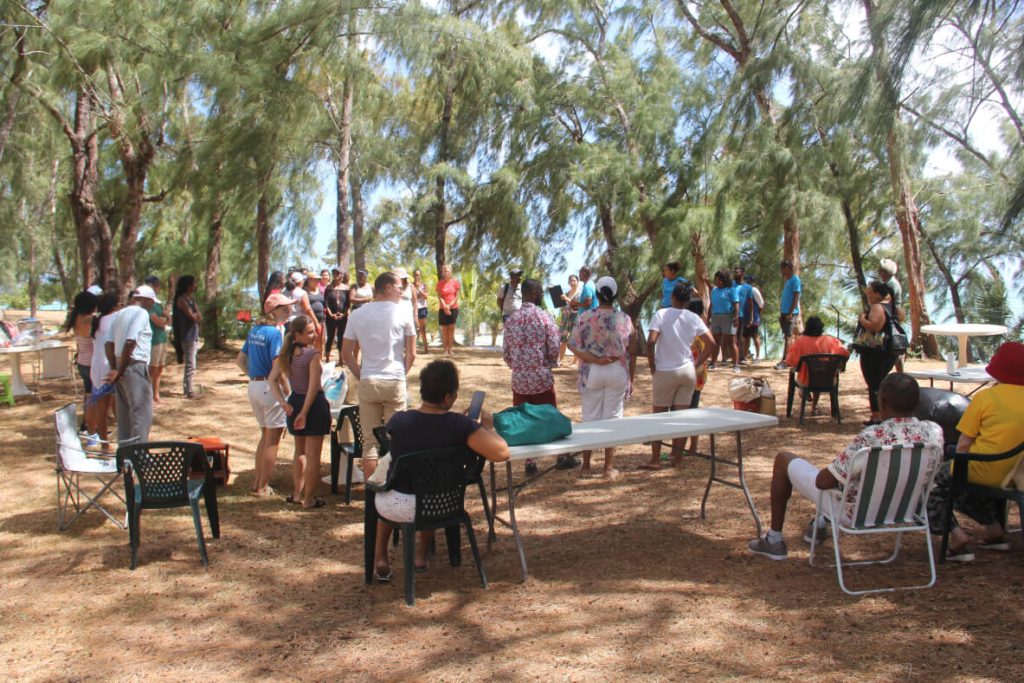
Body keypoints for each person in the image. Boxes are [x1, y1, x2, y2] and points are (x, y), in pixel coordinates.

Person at [747, 373, 943, 561]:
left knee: (784, 460)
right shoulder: (934, 433)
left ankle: (773, 540)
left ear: (881, 403)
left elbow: (823, 482)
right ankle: (820, 522)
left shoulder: (872, 437)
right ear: (917, 402)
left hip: (856, 514)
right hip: (903, 510)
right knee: (846, 477)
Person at [372, 359, 509, 581]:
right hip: (443, 505)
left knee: (390, 488)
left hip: (397, 507)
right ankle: (421, 555)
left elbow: (394, 435)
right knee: (430, 486)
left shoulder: (400, 420)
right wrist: (486, 426)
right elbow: (502, 453)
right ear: (448, 397)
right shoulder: (461, 426)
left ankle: (381, 557)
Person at [926, 341, 1024, 562]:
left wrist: (950, 454)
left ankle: (956, 536)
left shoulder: (986, 398)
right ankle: (994, 530)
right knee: (963, 485)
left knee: (932, 483)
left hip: (982, 466)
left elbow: (963, 445)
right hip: (1014, 472)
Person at [342, 271, 417, 479]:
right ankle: (392, 488)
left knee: (370, 442)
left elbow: (346, 353)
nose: (401, 291)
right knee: (397, 440)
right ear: (387, 288)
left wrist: (361, 374)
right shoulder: (404, 313)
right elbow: (411, 353)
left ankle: (372, 494)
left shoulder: (357, 315)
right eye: (398, 287)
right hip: (394, 380)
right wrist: (401, 373)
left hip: (369, 380)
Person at [641, 282, 716, 469]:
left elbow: (651, 342)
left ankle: (656, 459)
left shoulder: (661, 314)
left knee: (658, 416)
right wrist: (696, 364)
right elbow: (712, 343)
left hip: (665, 370)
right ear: (688, 300)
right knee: (682, 417)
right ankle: (677, 457)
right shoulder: (694, 318)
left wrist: (652, 365)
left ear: (672, 297)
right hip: (687, 371)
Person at [567, 276, 636, 479]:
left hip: (592, 371)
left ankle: (586, 464)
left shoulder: (585, 317)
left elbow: (572, 344)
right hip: (617, 369)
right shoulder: (624, 318)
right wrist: (631, 377)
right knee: (613, 418)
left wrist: (593, 359)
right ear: (615, 296)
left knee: (589, 417)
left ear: (597, 294)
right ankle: (608, 467)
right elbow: (633, 345)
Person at [502, 278, 570, 474]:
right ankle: (561, 457)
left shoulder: (511, 320)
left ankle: (529, 461)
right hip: (541, 378)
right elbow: (554, 346)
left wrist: (518, 367)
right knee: (551, 418)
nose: (542, 294)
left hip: (520, 381)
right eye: (540, 291)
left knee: (523, 421)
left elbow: (506, 352)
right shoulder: (544, 317)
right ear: (532, 293)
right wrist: (546, 364)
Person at [268, 315, 331, 509]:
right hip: (311, 406)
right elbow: (313, 387)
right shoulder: (311, 356)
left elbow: (272, 380)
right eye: (310, 332)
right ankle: (309, 498)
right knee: (313, 456)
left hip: (295, 402)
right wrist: (304, 412)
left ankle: (297, 493)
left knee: (299, 452)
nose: (314, 335)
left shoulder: (285, 355)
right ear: (298, 335)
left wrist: (284, 403)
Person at [236, 292, 294, 497]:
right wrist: (288, 390)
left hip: (254, 386)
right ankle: (263, 486)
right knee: (273, 439)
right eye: (285, 308)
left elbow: (240, 360)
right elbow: (276, 366)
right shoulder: (275, 333)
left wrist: (255, 376)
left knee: (265, 436)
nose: (290, 310)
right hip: (270, 390)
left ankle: (257, 482)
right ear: (274, 311)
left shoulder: (255, 330)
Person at [105, 286, 158, 444]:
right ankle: (139, 457)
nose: (152, 306)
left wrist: (115, 369)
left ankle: (125, 457)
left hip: (121, 364)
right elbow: (130, 342)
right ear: (146, 300)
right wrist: (119, 371)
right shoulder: (141, 313)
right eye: (151, 302)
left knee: (125, 416)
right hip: (134, 365)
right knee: (141, 414)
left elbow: (108, 344)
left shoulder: (119, 314)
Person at [853, 281, 901, 425]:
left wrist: (862, 319)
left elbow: (874, 326)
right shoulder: (892, 307)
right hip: (889, 351)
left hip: (875, 352)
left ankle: (877, 415)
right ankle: (883, 413)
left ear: (878, 294)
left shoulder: (877, 307)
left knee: (874, 384)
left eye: (871, 293)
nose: (868, 295)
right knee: (879, 383)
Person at [784, 315, 850, 416]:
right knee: (819, 372)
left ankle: (803, 391)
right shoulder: (831, 341)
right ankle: (814, 407)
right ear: (821, 328)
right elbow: (845, 354)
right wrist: (840, 365)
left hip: (806, 382)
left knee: (808, 374)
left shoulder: (800, 341)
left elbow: (790, 361)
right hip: (828, 381)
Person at [86, 293, 119, 449]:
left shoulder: (97, 320)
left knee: (102, 407)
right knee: (117, 405)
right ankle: (121, 439)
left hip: (96, 365)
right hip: (108, 366)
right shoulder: (115, 318)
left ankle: (104, 443)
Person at [64, 290, 98, 428]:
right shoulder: (88, 319)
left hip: (82, 361)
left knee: (88, 393)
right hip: (91, 363)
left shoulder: (76, 317)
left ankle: (86, 422)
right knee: (93, 396)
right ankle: (90, 426)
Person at [172, 275, 203, 399]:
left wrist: (196, 315)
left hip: (193, 335)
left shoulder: (191, 300)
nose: (195, 286)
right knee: (191, 365)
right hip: (187, 336)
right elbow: (193, 316)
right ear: (188, 286)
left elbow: (199, 316)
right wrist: (195, 315)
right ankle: (189, 391)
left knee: (191, 364)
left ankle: (188, 389)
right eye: (194, 283)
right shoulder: (181, 300)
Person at [143, 275, 169, 405]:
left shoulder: (158, 302)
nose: (158, 288)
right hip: (153, 340)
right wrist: (163, 320)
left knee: (159, 368)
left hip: (162, 338)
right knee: (152, 369)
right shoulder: (149, 304)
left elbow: (166, 317)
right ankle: (147, 396)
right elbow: (158, 321)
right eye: (156, 285)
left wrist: (164, 319)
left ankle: (156, 395)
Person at [708, 270, 740, 371]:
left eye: (716, 279)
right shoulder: (714, 290)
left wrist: (736, 317)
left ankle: (736, 365)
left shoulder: (731, 290)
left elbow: (736, 304)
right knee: (716, 342)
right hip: (715, 317)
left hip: (728, 317)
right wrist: (709, 316)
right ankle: (713, 363)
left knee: (732, 342)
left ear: (721, 280)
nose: (715, 280)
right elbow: (711, 304)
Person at [879, 257, 905, 372]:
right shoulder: (889, 283)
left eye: (882, 271)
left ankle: (900, 373)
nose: (880, 274)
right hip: (890, 316)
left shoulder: (892, 284)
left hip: (891, 317)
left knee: (894, 346)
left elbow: (887, 301)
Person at [775, 260, 802, 370]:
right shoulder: (788, 281)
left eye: (782, 268)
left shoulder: (795, 280)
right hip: (784, 312)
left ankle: (786, 361)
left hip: (791, 313)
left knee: (788, 336)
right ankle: (787, 359)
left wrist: (790, 312)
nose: (781, 271)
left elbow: (796, 297)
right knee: (786, 335)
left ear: (788, 268)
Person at [323, 268, 349, 362]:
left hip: (343, 316)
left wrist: (344, 314)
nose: (336, 275)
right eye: (334, 273)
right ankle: (327, 358)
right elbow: (326, 303)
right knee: (330, 337)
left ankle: (341, 359)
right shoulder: (328, 288)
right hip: (331, 317)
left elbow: (347, 303)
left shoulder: (345, 288)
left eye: (338, 273)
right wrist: (331, 314)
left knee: (341, 337)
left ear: (341, 275)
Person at [436, 264, 460, 355]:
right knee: (444, 331)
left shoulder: (455, 282)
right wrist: (445, 306)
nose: (446, 272)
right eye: (444, 271)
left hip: (453, 308)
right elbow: (439, 296)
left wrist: (449, 305)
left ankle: (451, 349)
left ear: (451, 272)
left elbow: (457, 296)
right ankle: (445, 350)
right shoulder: (440, 283)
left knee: (451, 330)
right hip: (443, 308)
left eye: (448, 271)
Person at [557, 273, 581, 366]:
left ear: (578, 282)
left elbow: (576, 305)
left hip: (575, 318)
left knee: (574, 340)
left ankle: (574, 362)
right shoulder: (566, 293)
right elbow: (564, 306)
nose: (572, 282)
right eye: (571, 281)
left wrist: (567, 299)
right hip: (565, 318)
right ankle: (560, 360)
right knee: (562, 339)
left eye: (574, 280)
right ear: (568, 282)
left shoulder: (580, 293)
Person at [741, 274, 764, 362]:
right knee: (745, 337)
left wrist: (757, 315)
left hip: (754, 317)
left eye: (746, 280)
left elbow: (761, 304)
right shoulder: (743, 291)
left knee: (755, 336)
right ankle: (745, 356)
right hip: (745, 317)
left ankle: (758, 357)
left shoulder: (754, 290)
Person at [732, 266, 752, 362]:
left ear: (743, 273)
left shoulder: (748, 288)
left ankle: (741, 357)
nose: (735, 273)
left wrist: (751, 317)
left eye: (737, 272)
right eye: (734, 272)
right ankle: (733, 357)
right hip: (730, 314)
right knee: (731, 336)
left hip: (741, 315)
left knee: (740, 336)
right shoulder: (731, 285)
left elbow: (750, 303)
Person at [304, 274, 326, 354]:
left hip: (321, 320)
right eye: (315, 280)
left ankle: (319, 360)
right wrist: (315, 321)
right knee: (310, 341)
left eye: (318, 280)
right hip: (310, 321)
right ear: (309, 280)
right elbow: (307, 307)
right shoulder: (305, 292)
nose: (317, 282)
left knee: (320, 340)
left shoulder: (319, 291)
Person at [412, 269, 430, 354]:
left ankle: (426, 348)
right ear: (413, 276)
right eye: (415, 275)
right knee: (414, 329)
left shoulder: (424, 285)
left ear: (420, 276)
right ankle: (412, 349)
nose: (417, 276)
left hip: (422, 308)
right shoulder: (411, 286)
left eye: (418, 275)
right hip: (413, 309)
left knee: (423, 329)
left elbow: (426, 296)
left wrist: (419, 290)